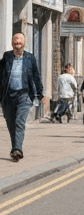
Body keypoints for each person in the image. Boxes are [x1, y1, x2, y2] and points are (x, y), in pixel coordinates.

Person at [0, 33, 44, 161]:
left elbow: (36, 76)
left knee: (19, 122)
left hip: (24, 94)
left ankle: (17, 149)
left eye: (19, 43)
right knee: (11, 123)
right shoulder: (7, 56)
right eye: (15, 43)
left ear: (24, 43)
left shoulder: (30, 58)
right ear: (12, 43)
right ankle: (15, 148)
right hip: (8, 95)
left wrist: (40, 93)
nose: (17, 45)